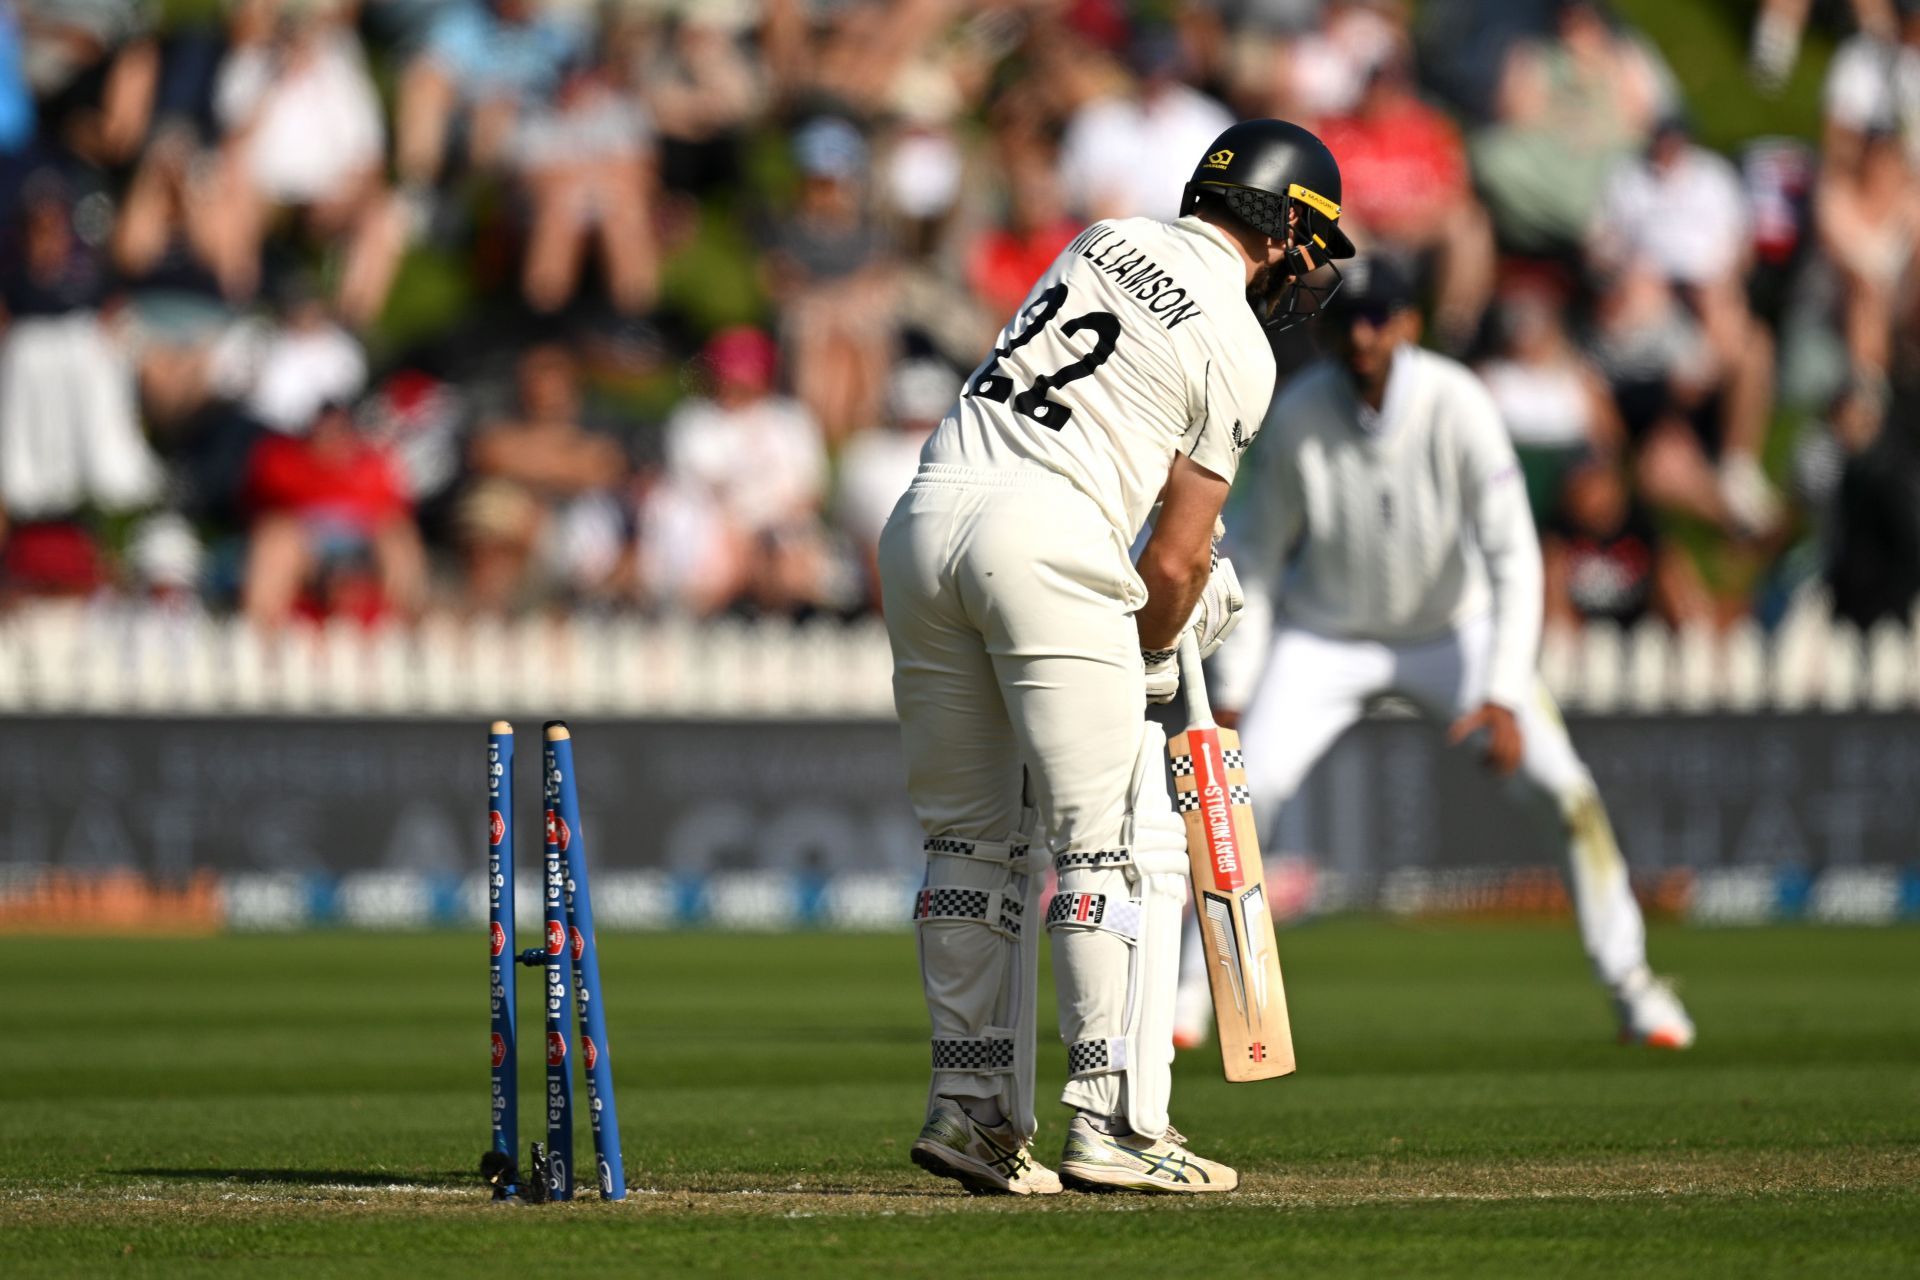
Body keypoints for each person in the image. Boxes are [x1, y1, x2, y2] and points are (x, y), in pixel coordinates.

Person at [880, 119, 1355, 1196]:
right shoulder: (1240, 342)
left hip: (926, 514)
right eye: (1312, 242)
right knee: (1101, 849)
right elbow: (1179, 559)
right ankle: (1115, 1121)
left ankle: (972, 1113)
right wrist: (1150, 641)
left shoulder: (1100, 239)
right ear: (1282, 224)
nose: (1312, 271)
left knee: (969, 841)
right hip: (1045, 541)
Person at [1186, 258, 1695, 1053]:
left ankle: (1634, 988)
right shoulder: (1298, 416)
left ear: (1409, 324)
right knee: (1245, 796)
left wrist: (1499, 690)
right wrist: (1237, 682)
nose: (1363, 335)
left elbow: (1512, 555)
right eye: (1349, 320)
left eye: (1379, 318)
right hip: (1326, 638)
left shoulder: (1457, 404)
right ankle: (1193, 997)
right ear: (1327, 328)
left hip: (1453, 634)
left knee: (1566, 796)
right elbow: (1255, 552)